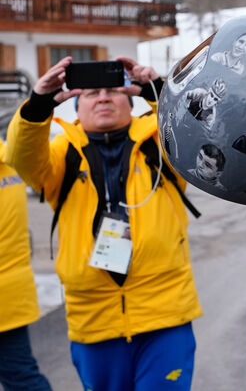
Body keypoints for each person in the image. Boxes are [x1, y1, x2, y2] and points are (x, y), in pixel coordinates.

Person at [3, 56, 201, 391]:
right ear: (77, 108)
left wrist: (160, 91)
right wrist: (38, 104)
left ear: (131, 99)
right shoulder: (60, 155)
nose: (104, 97)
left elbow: (200, 135)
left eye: (113, 90)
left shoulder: (162, 143)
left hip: (165, 315)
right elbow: (20, 157)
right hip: (93, 321)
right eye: (93, 93)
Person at [0, 140, 52, 391]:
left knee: (21, 379)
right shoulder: (10, 160)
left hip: (8, 297)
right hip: (11, 298)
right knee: (22, 377)